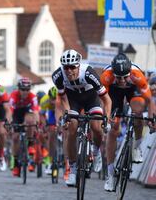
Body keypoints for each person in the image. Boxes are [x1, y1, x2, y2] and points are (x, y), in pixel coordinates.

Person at [52, 49, 112, 187]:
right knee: (71, 129)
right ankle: (72, 170)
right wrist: (66, 115)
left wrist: (107, 118)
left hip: (91, 98)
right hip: (73, 100)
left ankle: (96, 152)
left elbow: (107, 100)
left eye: (72, 67)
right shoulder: (58, 76)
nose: (69, 71)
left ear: (78, 65)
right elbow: (62, 98)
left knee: (96, 127)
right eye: (66, 67)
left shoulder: (89, 73)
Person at [101, 53, 156, 191]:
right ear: (113, 72)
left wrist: (151, 119)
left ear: (129, 72)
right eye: (118, 77)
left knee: (137, 114)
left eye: (125, 76)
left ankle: (137, 147)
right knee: (113, 130)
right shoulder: (106, 76)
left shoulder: (137, 75)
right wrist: (107, 119)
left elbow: (149, 101)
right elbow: (104, 101)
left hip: (134, 90)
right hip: (114, 93)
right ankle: (110, 174)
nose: (122, 80)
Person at [9, 77, 40, 176]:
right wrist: (10, 123)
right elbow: (10, 111)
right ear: (18, 89)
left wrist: (37, 123)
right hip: (16, 114)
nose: (25, 92)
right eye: (23, 89)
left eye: (27, 90)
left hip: (27, 112)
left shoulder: (32, 96)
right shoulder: (13, 95)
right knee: (15, 138)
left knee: (31, 120)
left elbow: (36, 112)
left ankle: (30, 142)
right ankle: (16, 162)